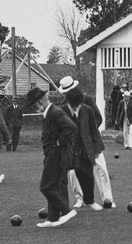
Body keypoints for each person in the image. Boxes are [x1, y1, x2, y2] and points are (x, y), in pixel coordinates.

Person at [25, 87, 79, 228]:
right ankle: (52, 219)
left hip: (57, 155)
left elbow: (71, 127)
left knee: (45, 187)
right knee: (52, 186)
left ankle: (66, 211)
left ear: (41, 101)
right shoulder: (49, 112)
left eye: (35, 105)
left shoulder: (54, 112)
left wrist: (59, 142)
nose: (35, 108)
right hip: (53, 154)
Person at [59, 77, 111, 210]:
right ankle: (80, 198)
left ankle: (107, 198)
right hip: (74, 146)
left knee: (100, 169)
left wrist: (86, 133)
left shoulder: (87, 100)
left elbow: (98, 119)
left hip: (91, 143)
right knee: (73, 173)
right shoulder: (62, 106)